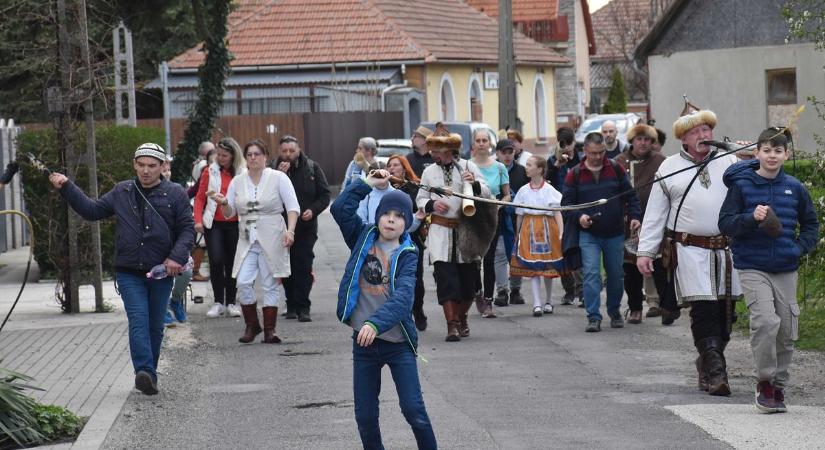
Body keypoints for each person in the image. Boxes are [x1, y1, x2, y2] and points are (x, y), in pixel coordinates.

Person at [49, 143, 194, 395]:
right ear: (134, 165)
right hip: (128, 271)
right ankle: (145, 372)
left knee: (155, 325)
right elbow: (92, 210)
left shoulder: (175, 193)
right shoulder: (122, 191)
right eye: (141, 165)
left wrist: (175, 258)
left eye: (152, 166)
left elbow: (187, 230)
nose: (146, 171)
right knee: (138, 319)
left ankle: (150, 372)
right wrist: (67, 188)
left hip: (161, 271)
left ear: (162, 167)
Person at [636, 108, 743, 396]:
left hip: (727, 252)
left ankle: (706, 362)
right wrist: (645, 251)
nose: (704, 136)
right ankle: (718, 373)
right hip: (689, 251)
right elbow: (655, 214)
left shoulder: (729, 160)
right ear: (683, 138)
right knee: (704, 310)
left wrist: (754, 155)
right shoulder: (669, 168)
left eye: (707, 130)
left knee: (726, 315)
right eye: (696, 132)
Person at [331, 170, 437, 449]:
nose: (392, 219)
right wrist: (367, 184)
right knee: (365, 416)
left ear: (408, 222)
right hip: (363, 345)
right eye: (387, 213)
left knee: (414, 411)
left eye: (400, 215)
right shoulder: (362, 237)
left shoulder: (408, 254)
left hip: (397, 343)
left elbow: (403, 299)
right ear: (378, 216)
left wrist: (374, 324)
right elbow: (340, 208)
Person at [719, 128, 819, 413]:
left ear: (786, 154)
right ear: (757, 153)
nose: (772, 155)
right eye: (766, 150)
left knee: (786, 329)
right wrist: (751, 218)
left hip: (786, 267)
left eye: (778, 150)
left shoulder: (795, 188)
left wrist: (800, 248)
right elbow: (725, 223)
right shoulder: (742, 187)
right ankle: (764, 382)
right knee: (765, 322)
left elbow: (811, 224)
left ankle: (778, 385)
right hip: (752, 265)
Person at [212, 140, 299, 344]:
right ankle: (252, 324)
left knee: (270, 284)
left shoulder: (278, 178)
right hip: (247, 239)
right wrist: (224, 203)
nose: (253, 158)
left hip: (272, 236)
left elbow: (293, 207)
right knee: (242, 281)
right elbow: (229, 213)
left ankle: (270, 329)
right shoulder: (238, 181)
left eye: (257, 154)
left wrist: (291, 231)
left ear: (265, 156)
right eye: (249, 154)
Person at [416, 123, 492, 341]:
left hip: (466, 233)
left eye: (437, 150)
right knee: (446, 282)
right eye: (432, 150)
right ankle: (452, 326)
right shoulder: (429, 172)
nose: (433, 154)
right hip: (440, 233)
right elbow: (420, 198)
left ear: (448, 150)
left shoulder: (468, 166)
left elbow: (487, 192)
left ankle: (460, 317)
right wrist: (431, 205)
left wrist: (475, 183)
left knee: (469, 286)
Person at [562, 132, 641, 332]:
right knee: (591, 274)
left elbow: (631, 196)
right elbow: (567, 205)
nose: (598, 157)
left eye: (601, 152)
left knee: (616, 274)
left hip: (614, 233)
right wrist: (579, 217)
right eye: (594, 153)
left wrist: (634, 217)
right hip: (589, 234)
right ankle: (593, 316)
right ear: (585, 151)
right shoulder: (575, 174)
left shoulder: (615, 169)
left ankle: (614, 311)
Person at [271, 135, 331, 322]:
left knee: (303, 264)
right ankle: (291, 304)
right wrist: (279, 175)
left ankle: (303, 306)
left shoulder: (312, 168)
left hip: (305, 227)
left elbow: (325, 194)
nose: (288, 155)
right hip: (281, 225)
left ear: (299, 150)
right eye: (284, 151)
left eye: (292, 151)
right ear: (280, 151)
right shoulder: (273, 170)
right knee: (286, 265)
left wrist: (313, 210)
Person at [613, 124, 667, 324]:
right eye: (639, 139)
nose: (643, 143)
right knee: (631, 270)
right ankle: (635, 308)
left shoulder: (661, 162)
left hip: (655, 221)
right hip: (628, 223)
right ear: (632, 141)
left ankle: (666, 306)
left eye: (647, 139)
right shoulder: (618, 163)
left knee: (660, 265)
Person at [194, 137, 246, 318]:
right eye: (219, 155)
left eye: (225, 155)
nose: (221, 158)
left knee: (232, 263)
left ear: (233, 155)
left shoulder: (242, 173)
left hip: (235, 223)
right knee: (216, 260)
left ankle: (231, 302)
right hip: (213, 223)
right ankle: (218, 302)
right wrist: (198, 220)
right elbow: (200, 197)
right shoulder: (210, 171)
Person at [511, 155, 564, 317]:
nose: (526, 167)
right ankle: (536, 303)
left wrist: (561, 233)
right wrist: (517, 234)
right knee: (533, 268)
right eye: (526, 165)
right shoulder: (523, 190)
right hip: (529, 229)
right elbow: (520, 214)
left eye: (529, 165)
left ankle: (548, 301)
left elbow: (557, 212)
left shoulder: (549, 190)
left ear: (539, 169)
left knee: (547, 266)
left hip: (548, 229)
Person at [387, 154, 429, 331]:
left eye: (396, 165)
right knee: (391, 279)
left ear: (404, 168)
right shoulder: (384, 188)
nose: (391, 168)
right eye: (389, 165)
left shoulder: (414, 188)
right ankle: (400, 315)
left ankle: (417, 309)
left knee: (415, 279)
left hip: (412, 240)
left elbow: (422, 209)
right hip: (389, 240)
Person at [471, 129, 509, 318]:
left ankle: (488, 300)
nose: (481, 143)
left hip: (493, 216)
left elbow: (507, 194)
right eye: (478, 140)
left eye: (484, 140)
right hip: (473, 216)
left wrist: (500, 205)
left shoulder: (499, 168)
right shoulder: (468, 167)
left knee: (490, 258)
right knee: (474, 259)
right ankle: (476, 291)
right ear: (473, 144)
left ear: (490, 143)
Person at [547, 127, 584, 307]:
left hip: (577, 208)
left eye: (569, 143)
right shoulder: (552, 160)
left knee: (577, 249)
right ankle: (569, 289)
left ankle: (582, 289)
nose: (567, 147)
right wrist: (557, 165)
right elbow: (548, 182)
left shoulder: (582, 159)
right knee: (561, 251)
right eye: (563, 144)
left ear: (574, 142)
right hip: (559, 211)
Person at [493, 139, 528, 307]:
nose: (507, 156)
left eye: (510, 152)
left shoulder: (522, 171)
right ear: (498, 153)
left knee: (516, 254)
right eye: (504, 152)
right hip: (498, 217)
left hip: (517, 218)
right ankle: (502, 291)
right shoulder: (493, 170)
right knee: (499, 254)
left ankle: (515, 289)